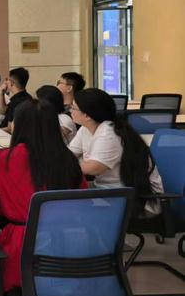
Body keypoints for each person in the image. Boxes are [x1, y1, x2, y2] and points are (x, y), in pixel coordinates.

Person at [0, 99, 86, 296]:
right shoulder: (68, 159)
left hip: (22, 245)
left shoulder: (3, 157)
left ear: (17, 125)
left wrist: (9, 206)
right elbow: (80, 201)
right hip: (68, 244)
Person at [69, 88, 163, 216]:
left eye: (73, 108)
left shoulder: (109, 133)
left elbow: (94, 168)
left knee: (69, 202)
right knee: (66, 195)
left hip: (137, 199)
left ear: (87, 115)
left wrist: (65, 166)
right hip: (110, 190)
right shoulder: (86, 129)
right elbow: (67, 155)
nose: (70, 111)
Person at [0, 67, 31, 131]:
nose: (5, 82)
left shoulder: (15, 102)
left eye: (7, 80)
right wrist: (2, 93)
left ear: (11, 83)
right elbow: (3, 111)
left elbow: (9, 129)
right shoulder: (28, 97)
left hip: (7, 135)